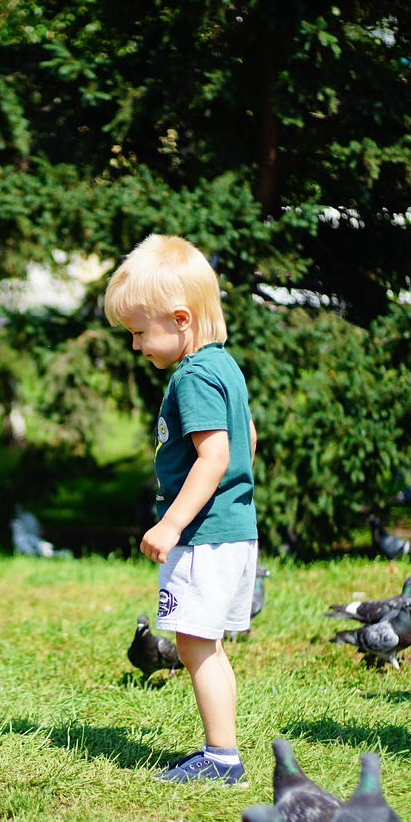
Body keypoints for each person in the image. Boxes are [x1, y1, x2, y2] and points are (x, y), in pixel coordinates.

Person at [104, 234, 258, 785]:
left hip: (206, 535)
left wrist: (172, 522)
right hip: (235, 530)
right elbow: (247, 440)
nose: (137, 344)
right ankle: (222, 751)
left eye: (141, 332)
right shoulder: (225, 367)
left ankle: (222, 757)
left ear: (180, 318)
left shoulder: (191, 377)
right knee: (206, 645)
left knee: (196, 646)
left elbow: (214, 457)